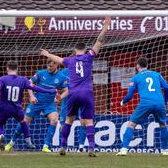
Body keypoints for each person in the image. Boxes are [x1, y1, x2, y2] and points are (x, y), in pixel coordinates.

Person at [41, 16, 111, 157]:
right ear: (85, 49)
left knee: (69, 120)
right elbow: (99, 41)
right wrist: (105, 27)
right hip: (86, 92)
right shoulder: (89, 56)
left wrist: (47, 54)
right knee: (89, 121)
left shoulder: (70, 60)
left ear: (75, 49)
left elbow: (58, 60)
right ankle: (91, 148)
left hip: (73, 93)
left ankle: (63, 147)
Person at [0, 61, 57, 152]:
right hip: (17, 108)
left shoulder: (2, 79)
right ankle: (28, 141)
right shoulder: (23, 79)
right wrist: (49, 91)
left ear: (7, 69)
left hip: (4, 107)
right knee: (23, 121)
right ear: (17, 69)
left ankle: (1, 136)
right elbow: (35, 88)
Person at [117, 57, 168, 156]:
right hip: (159, 102)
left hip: (146, 103)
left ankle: (124, 149)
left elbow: (130, 95)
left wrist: (123, 102)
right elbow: (166, 87)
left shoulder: (136, 77)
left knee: (131, 124)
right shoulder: (157, 75)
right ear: (147, 65)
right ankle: (165, 150)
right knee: (163, 125)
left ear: (137, 66)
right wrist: (165, 101)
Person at [24, 60, 68, 153]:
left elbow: (66, 91)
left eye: (51, 66)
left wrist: (60, 97)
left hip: (49, 104)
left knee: (55, 120)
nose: (49, 68)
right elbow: (29, 84)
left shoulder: (61, 77)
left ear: (56, 65)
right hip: (37, 102)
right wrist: (31, 96)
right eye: (48, 66)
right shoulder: (40, 73)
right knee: (24, 121)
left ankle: (46, 145)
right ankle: (11, 143)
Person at [59, 67, 87, 152]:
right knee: (63, 125)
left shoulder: (82, 72)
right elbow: (58, 84)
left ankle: (81, 147)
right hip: (67, 101)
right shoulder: (63, 72)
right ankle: (62, 146)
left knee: (83, 121)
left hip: (80, 100)